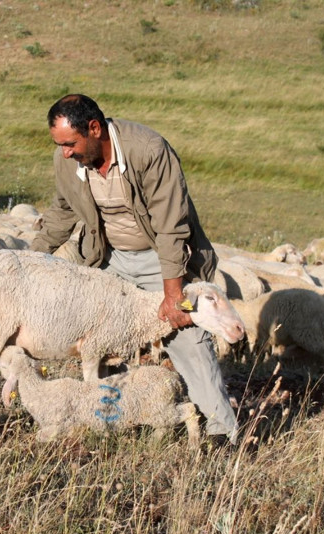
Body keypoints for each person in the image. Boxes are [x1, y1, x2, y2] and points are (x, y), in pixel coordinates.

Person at [30, 94, 237, 445]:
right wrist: (28, 259)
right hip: (108, 258)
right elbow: (63, 211)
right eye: (60, 145)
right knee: (102, 337)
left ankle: (221, 431)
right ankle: (114, 420)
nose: (65, 152)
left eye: (70, 143)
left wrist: (173, 295)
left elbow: (172, 226)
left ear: (94, 129)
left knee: (186, 337)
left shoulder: (148, 150)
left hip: (163, 258)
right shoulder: (66, 160)